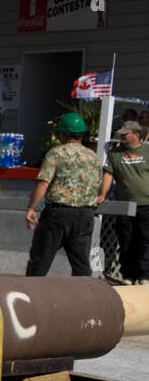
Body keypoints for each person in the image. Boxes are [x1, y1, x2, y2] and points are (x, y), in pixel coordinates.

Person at [25, 112, 102, 276]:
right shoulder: (93, 157)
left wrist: (31, 208)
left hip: (59, 214)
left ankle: (31, 295)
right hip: (86, 214)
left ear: (63, 134)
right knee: (81, 264)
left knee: (40, 259)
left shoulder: (56, 153)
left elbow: (43, 182)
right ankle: (84, 297)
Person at [98, 122, 149, 284]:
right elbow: (108, 174)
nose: (122, 136)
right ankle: (128, 275)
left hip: (146, 203)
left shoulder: (147, 150)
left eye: (125, 134)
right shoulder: (115, 153)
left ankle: (144, 275)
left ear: (136, 134)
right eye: (121, 133)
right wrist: (102, 194)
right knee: (126, 240)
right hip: (124, 204)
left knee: (145, 240)